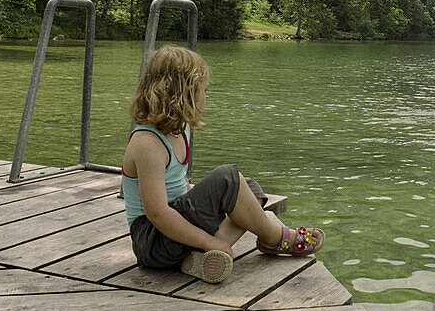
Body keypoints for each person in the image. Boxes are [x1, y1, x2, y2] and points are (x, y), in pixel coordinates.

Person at [121, 46, 325, 283]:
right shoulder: (147, 143)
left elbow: (180, 186)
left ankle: (196, 259)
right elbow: (157, 213)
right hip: (152, 241)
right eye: (203, 91)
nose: (205, 98)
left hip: (172, 239)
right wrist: (210, 239)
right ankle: (275, 237)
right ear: (187, 93)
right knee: (229, 178)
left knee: (250, 191)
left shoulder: (180, 130)